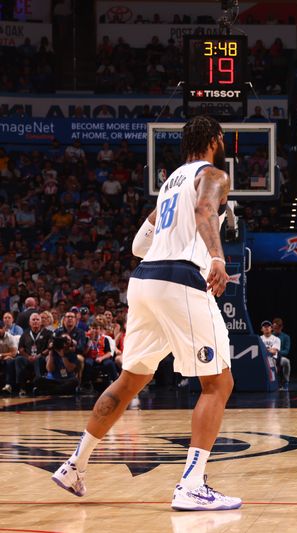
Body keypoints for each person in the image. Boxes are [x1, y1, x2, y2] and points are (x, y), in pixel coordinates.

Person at [52, 115, 241, 511]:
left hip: (144, 279)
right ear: (216, 140)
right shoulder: (214, 174)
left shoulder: (170, 183)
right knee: (218, 384)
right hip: (180, 279)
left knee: (129, 381)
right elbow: (206, 209)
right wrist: (217, 256)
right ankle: (191, 485)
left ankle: (74, 464)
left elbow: (140, 243)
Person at [271, 318, 291, 391]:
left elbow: (286, 351)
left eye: (277, 328)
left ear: (281, 327)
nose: (275, 330)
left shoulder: (286, 337)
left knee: (286, 362)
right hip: (270, 358)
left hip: (279, 357)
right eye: (274, 328)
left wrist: (277, 352)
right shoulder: (270, 336)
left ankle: (286, 382)